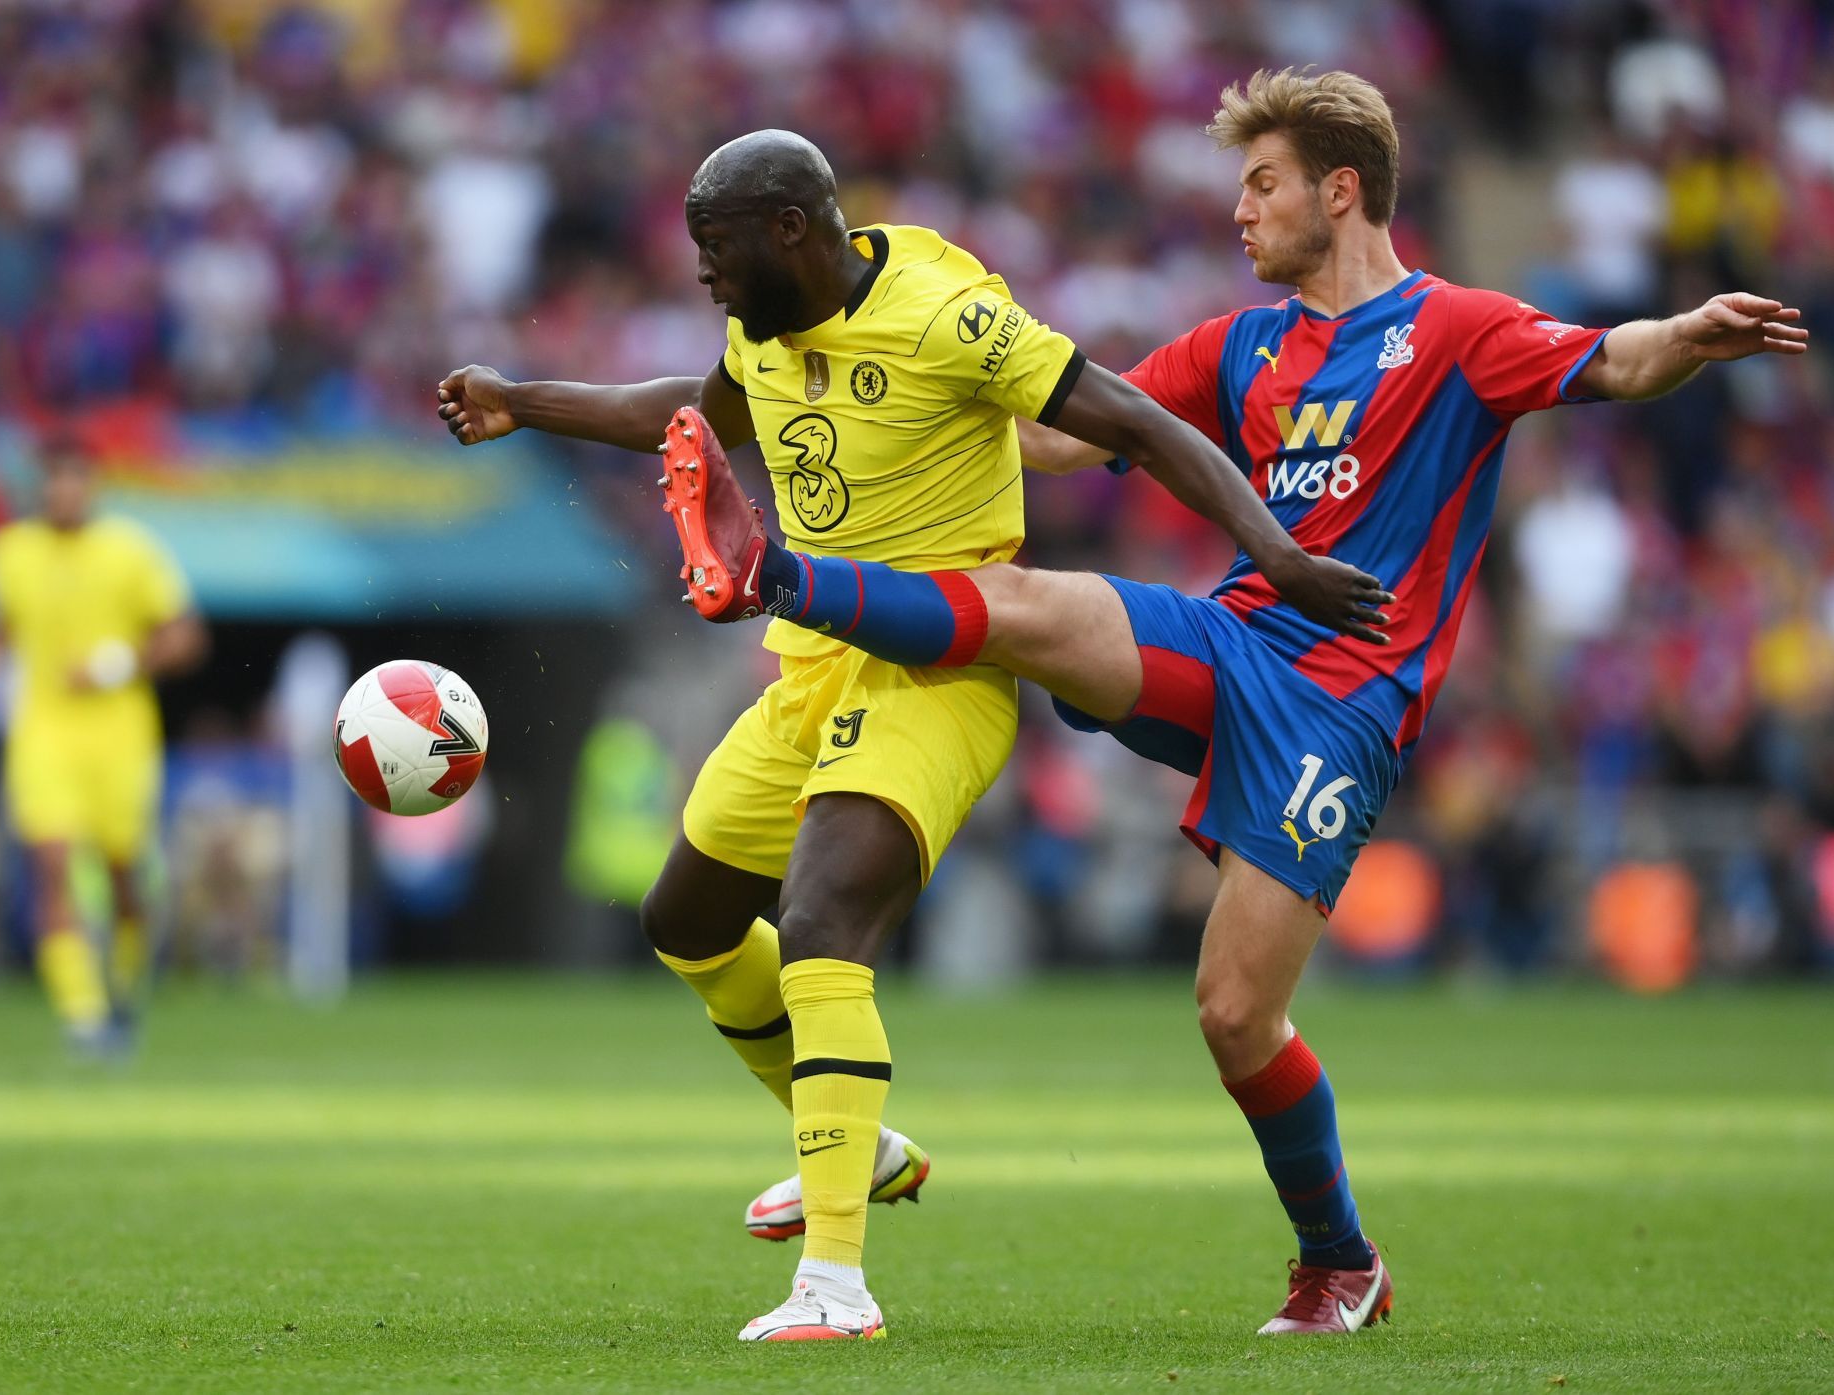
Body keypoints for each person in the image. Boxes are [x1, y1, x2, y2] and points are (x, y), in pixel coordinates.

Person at [659, 72, 1809, 1335]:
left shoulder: (1457, 331)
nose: (1242, 213)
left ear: (1340, 189)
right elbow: (1058, 430)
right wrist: (930, 346)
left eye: (1261, 185)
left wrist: (1691, 334)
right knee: (1029, 599)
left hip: (1342, 704)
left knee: (1235, 1015)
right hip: (1235, 640)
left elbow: (1608, 360)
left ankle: (1340, 1262)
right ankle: (775, 575)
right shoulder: (1238, 345)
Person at [436, 129, 1385, 1342]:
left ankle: (835, 1284)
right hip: (810, 669)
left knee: (826, 924)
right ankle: (848, 1136)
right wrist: (525, 401)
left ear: (789, 230)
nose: (704, 277)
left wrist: (1278, 554)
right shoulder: (763, 326)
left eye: (715, 250)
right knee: (685, 922)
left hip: (941, 668)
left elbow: (1139, 422)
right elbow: (693, 409)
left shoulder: (946, 317)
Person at [0, 438, 207, 1052]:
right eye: (52, 481)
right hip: (43, 733)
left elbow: (185, 636)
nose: (62, 492)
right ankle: (85, 1018)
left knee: (122, 875)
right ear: (39, 488)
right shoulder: (10, 555)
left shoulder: (129, 552)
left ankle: (124, 992)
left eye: (73, 480)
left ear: (91, 485)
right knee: (50, 866)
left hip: (119, 737)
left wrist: (120, 664)